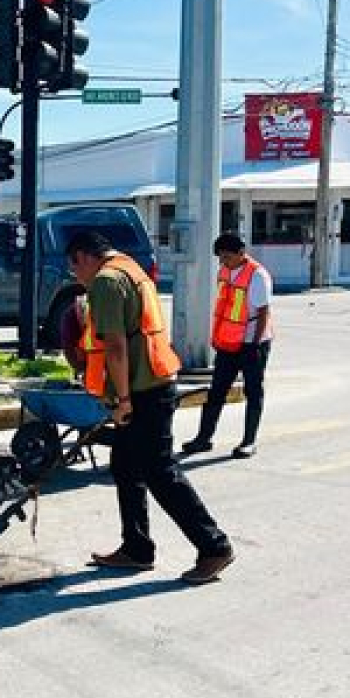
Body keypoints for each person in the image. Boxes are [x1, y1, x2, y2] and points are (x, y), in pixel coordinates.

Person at [67, 230, 235, 585]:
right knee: (126, 466)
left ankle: (214, 546)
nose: (76, 278)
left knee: (160, 472)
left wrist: (123, 400)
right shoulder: (132, 269)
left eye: (74, 269)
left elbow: (114, 346)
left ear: (83, 257)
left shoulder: (106, 281)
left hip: (143, 391)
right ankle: (137, 548)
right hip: (152, 382)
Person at [180, 233, 274, 459]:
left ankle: (248, 441)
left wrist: (254, 344)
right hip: (228, 343)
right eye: (220, 257)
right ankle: (203, 439)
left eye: (226, 256)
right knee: (216, 392)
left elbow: (263, 312)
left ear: (241, 253)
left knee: (253, 391)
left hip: (253, 342)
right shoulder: (224, 271)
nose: (222, 261)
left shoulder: (257, 275)